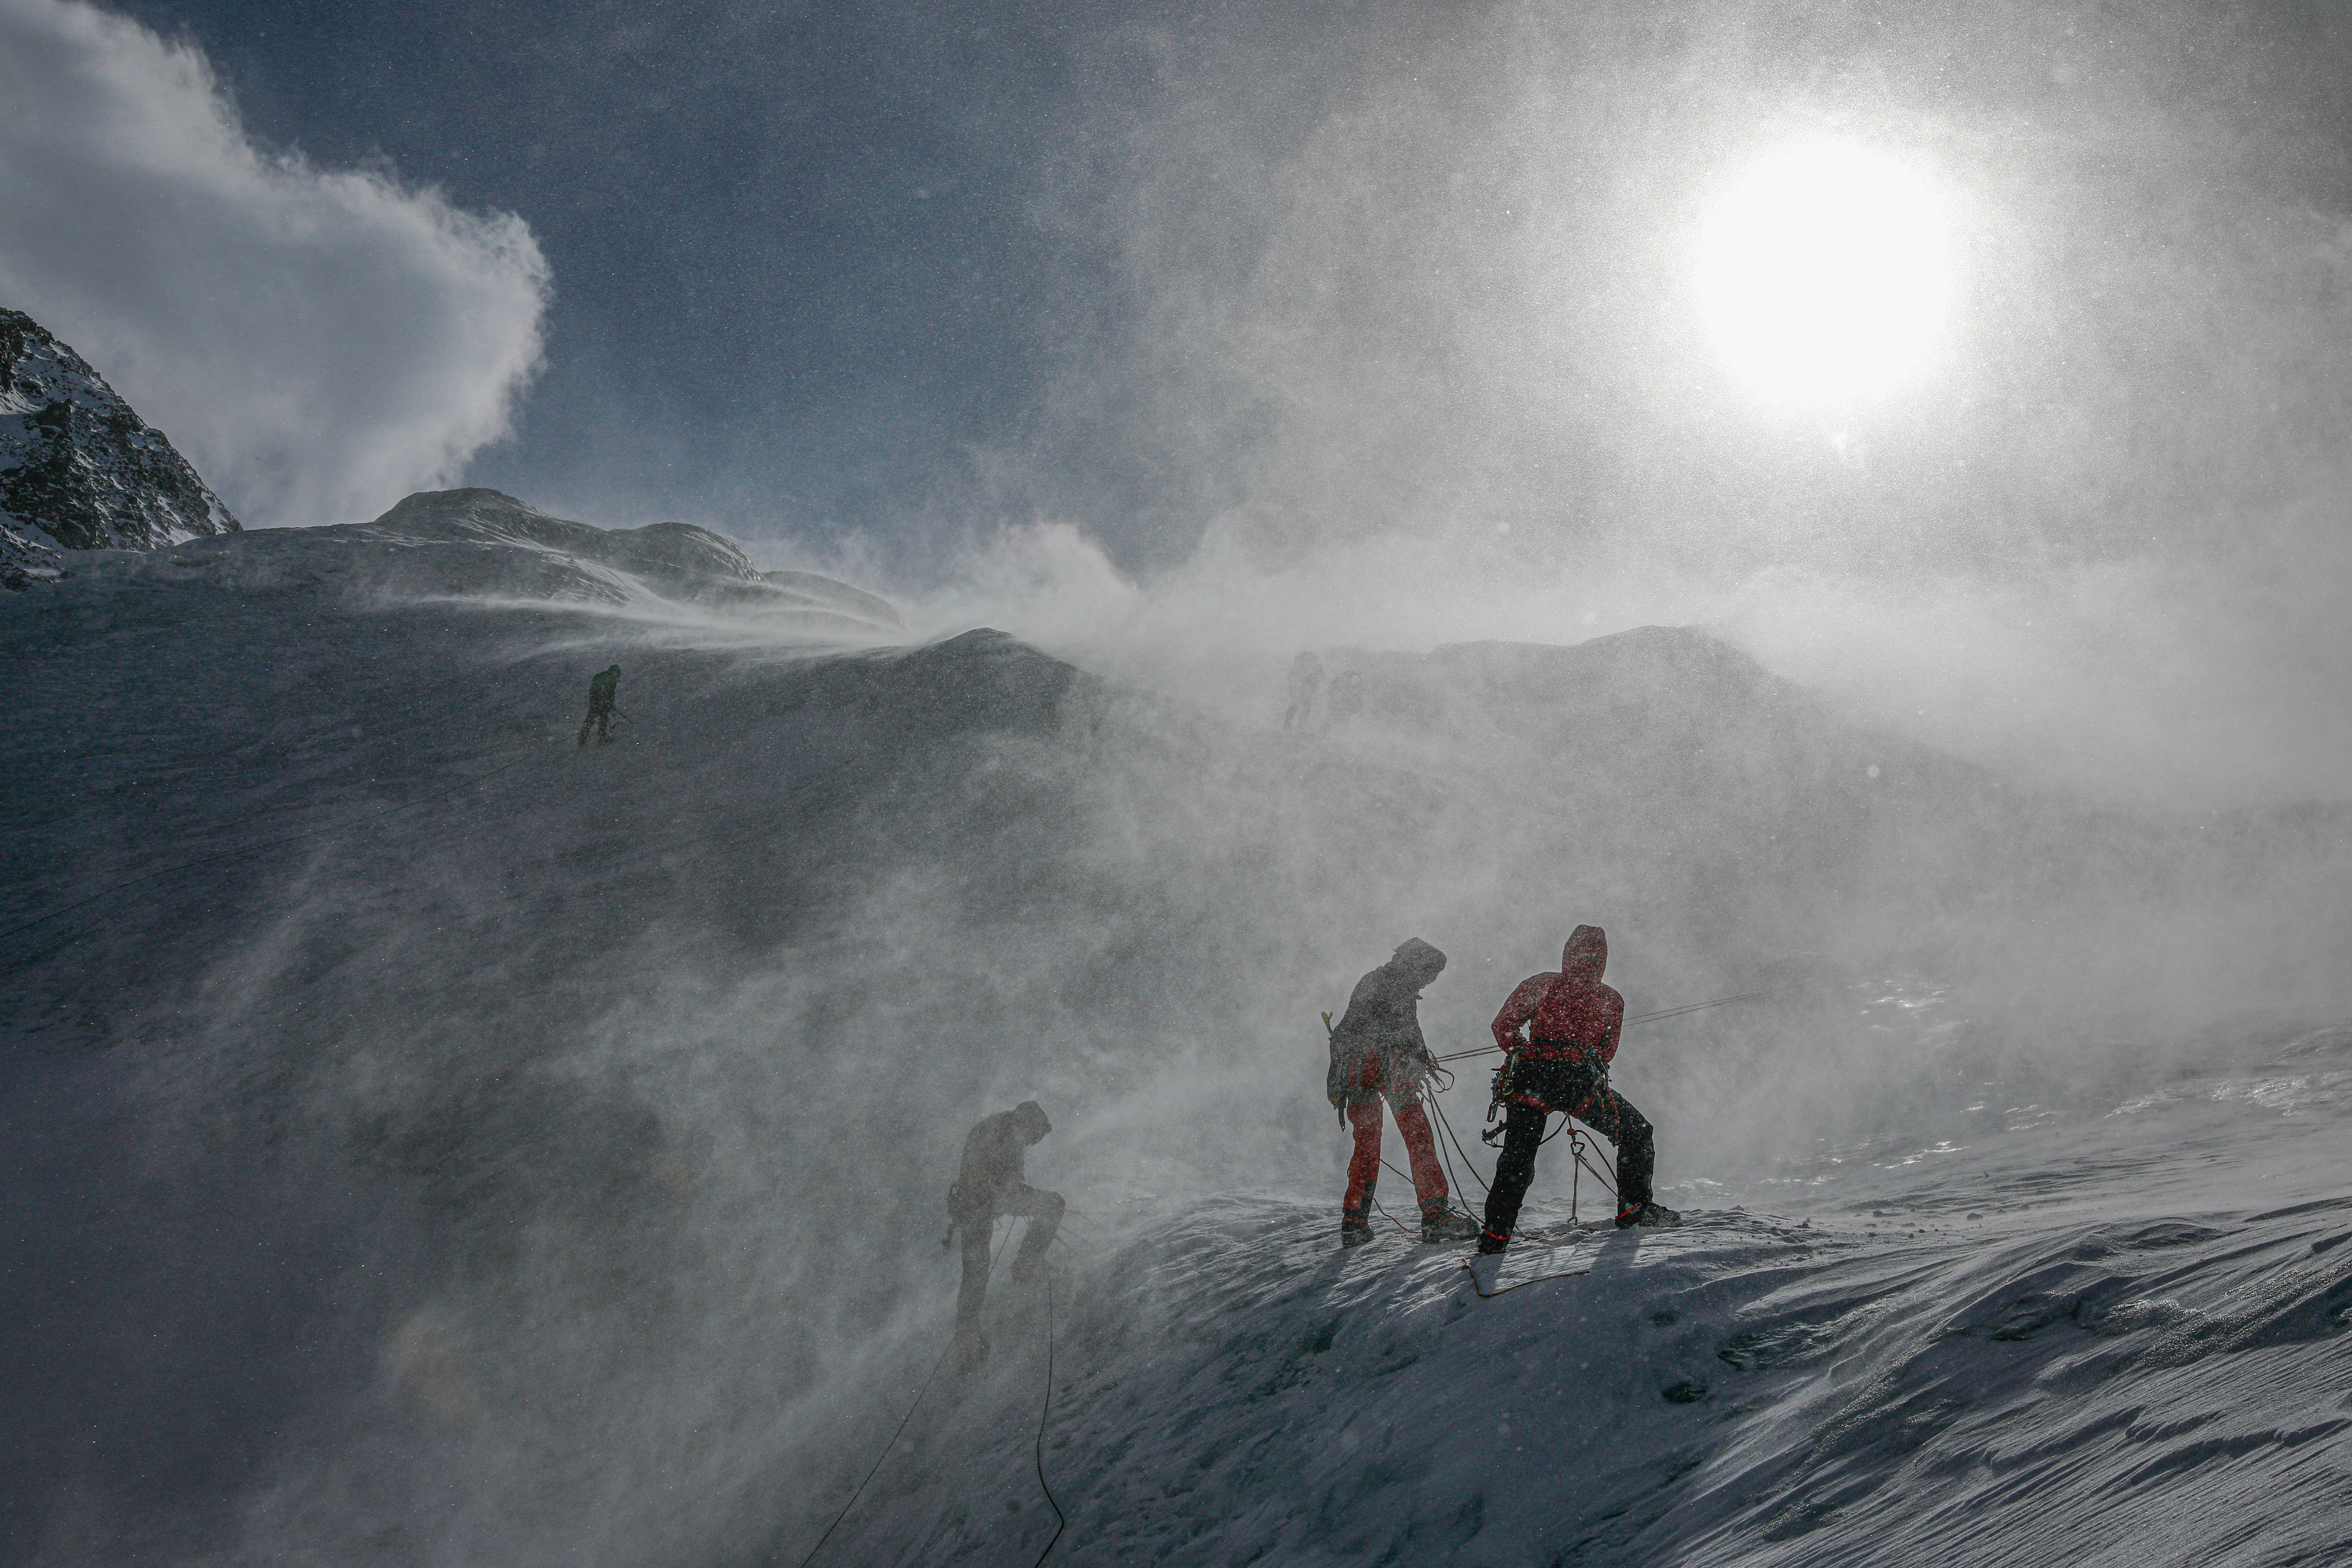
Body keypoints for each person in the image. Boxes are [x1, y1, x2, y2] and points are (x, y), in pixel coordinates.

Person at [1477, 925, 1678, 1254]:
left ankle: (1496, 1234)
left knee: (1519, 1156)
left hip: (1532, 1077)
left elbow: (1503, 1026)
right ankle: (1635, 1209)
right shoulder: (1610, 999)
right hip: (1577, 1081)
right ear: (1604, 960)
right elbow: (1607, 1051)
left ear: (1567, 952)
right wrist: (1574, 1055)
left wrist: (1525, 1050)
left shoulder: (1542, 984)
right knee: (1636, 1131)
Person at [1326, 938, 1479, 1246]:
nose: (1429, 981)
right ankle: (1435, 1216)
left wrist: (1414, 1055)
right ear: (1415, 965)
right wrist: (1417, 1057)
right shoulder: (1397, 987)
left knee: (1367, 1144)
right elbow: (1402, 1030)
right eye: (1429, 974)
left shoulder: (1375, 981)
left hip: (1355, 1071)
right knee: (1418, 1135)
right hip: (1386, 1068)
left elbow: (1361, 1028)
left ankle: (1354, 1223)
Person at [945, 1100, 1064, 1369]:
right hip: (988, 1201)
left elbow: (984, 1171)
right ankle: (1028, 1263)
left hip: (970, 1207)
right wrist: (1017, 1196)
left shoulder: (990, 1126)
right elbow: (1003, 1181)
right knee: (1054, 1204)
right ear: (1031, 1124)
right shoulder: (1013, 1127)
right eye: (1036, 1137)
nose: (1032, 1143)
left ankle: (967, 1338)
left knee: (975, 1271)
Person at [578, 664, 622, 747]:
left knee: (591, 717)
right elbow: (611, 692)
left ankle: (582, 738)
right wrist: (609, 704)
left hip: (594, 697)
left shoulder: (602, 675)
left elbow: (593, 689)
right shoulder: (613, 677)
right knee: (604, 717)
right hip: (603, 696)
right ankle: (602, 737)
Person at [1282, 651, 1325, 732]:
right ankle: (1295, 727)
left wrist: (1313, 683)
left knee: (1302, 709)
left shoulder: (1313, 667)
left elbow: (1321, 678)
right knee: (1299, 708)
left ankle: (1297, 727)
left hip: (1306, 691)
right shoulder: (1300, 667)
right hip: (1301, 691)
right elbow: (1292, 679)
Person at [1323, 670, 1364, 734]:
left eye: (1357, 680)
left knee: (1342, 724)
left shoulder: (1354, 689)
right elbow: (1333, 696)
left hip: (1345, 710)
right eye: (1354, 680)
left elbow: (1358, 700)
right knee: (1333, 722)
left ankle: (1340, 734)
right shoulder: (1340, 684)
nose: (1355, 682)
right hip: (1339, 709)